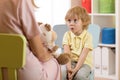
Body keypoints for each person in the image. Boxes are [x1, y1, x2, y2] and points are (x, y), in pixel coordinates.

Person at [0, 0, 61, 80]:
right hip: (23, 73)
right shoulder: (21, 2)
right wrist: (51, 54)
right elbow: (40, 54)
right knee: (54, 63)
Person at [62, 6, 93, 80]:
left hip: (84, 64)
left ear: (84, 21)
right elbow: (67, 53)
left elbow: (83, 56)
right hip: (70, 62)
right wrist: (69, 68)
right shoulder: (67, 35)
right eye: (69, 21)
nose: (71, 23)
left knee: (80, 76)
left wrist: (75, 70)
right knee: (62, 72)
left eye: (75, 20)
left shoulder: (87, 36)